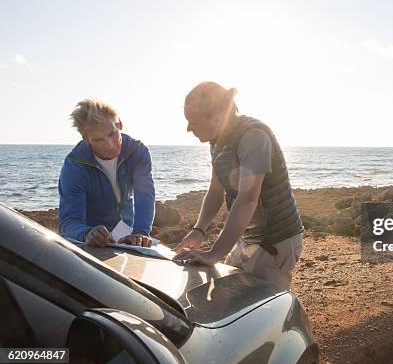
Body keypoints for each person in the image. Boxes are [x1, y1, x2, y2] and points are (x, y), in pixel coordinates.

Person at [173, 82, 303, 290]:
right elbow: (216, 191)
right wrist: (199, 230)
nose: (188, 128)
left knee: (261, 308)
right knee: (229, 292)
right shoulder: (218, 140)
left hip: (275, 241)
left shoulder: (253, 137)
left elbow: (248, 199)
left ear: (216, 118)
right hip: (248, 237)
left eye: (193, 123)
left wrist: (214, 254)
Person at [58, 99, 155, 247]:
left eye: (112, 134)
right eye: (98, 140)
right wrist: (86, 233)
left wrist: (141, 232)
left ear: (119, 124)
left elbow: (145, 196)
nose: (109, 144)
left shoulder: (137, 152)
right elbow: (69, 222)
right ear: (86, 139)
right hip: (90, 240)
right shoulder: (75, 165)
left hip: (126, 234)